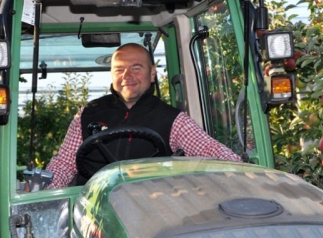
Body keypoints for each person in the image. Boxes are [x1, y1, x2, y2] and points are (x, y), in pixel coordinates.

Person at [44, 43, 242, 189]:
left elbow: (210, 151)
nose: (126, 76)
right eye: (119, 70)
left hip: (150, 209)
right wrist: (45, 189)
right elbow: (65, 163)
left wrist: (242, 172)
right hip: (93, 207)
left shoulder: (173, 120)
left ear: (153, 74)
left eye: (136, 68)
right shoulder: (87, 113)